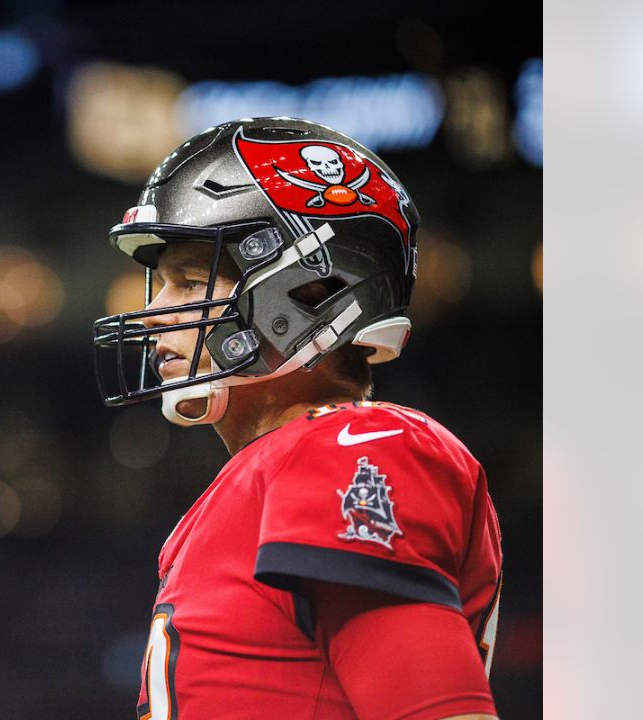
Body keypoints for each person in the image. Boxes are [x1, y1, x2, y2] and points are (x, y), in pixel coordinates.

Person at [93, 117, 502, 719]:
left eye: (187, 280)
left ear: (309, 290)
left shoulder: (349, 448)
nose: (154, 313)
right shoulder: (262, 475)